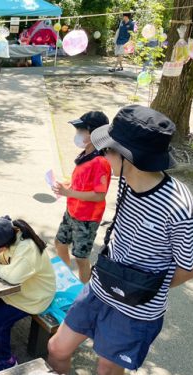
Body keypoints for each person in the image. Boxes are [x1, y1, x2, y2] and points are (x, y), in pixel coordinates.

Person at [48, 105, 193, 374]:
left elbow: (187, 270)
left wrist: (141, 288)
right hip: (100, 285)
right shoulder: (125, 184)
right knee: (56, 349)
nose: (102, 155)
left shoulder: (181, 209)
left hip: (137, 308)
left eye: (107, 149)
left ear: (128, 157)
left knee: (106, 370)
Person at [0, 217, 56, 372]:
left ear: (1, 248)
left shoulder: (27, 249)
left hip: (34, 297)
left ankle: (4, 361)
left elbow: (13, 277)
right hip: (19, 290)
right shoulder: (6, 232)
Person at [53, 111, 112, 283]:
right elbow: (81, 182)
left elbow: (99, 195)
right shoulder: (86, 154)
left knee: (81, 258)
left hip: (87, 217)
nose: (77, 134)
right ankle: (64, 278)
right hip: (72, 211)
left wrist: (69, 193)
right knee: (60, 243)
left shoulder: (101, 162)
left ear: (94, 133)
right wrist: (67, 187)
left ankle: (84, 290)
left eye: (81, 130)